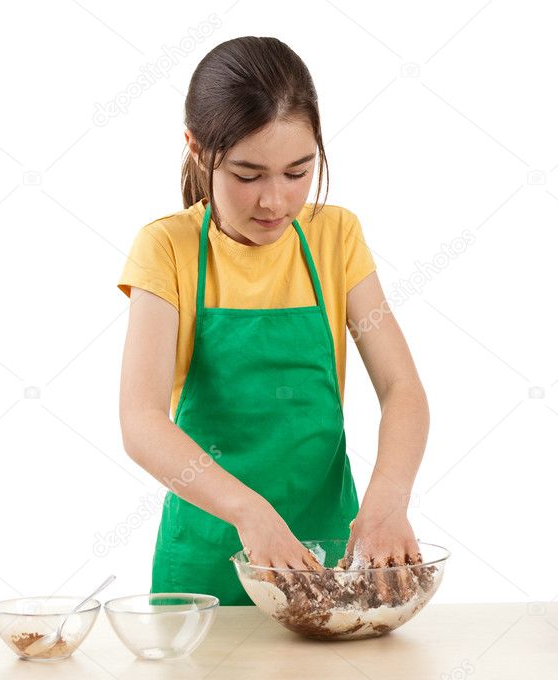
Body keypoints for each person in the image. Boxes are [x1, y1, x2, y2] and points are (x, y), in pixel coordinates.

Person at [117, 36, 429, 605]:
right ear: (197, 149)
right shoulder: (167, 249)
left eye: (297, 172)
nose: (275, 202)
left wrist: (387, 501)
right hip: (204, 573)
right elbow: (141, 421)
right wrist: (249, 512)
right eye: (248, 174)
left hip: (331, 562)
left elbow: (401, 387)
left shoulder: (335, 238)